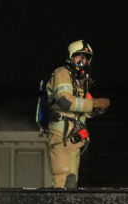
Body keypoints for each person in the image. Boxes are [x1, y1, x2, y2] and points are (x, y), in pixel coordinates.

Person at [46, 40, 110, 188]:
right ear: (70, 57)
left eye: (85, 58)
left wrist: (97, 110)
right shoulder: (62, 73)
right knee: (62, 178)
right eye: (78, 57)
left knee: (71, 181)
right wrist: (93, 104)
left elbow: (83, 109)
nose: (82, 61)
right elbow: (66, 102)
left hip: (74, 138)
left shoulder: (80, 82)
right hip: (60, 135)